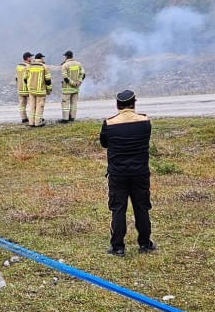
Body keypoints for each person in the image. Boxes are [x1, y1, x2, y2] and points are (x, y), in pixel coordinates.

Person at [98, 90, 154, 256]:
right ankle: (145, 244)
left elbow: (104, 143)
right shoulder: (145, 121)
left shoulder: (109, 124)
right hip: (140, 173)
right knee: (142, 207)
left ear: (117, 105)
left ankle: (118, 247)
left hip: (118, 174)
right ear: (134, 104)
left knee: (118, 209)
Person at [25, 53, 52, 127]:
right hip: (40, 91)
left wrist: (28, 88)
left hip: (31, 90)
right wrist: (49, 90)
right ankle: (38, 123)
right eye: (43, 58)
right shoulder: (44, 67)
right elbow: (48, 80)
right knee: (39, 106)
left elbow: (25, 79)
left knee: (32, 106)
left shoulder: (29, 66)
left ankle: (31, 123)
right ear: (41, 58)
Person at [60, 51, 86, 123]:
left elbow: (65, 77)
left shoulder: (65, 65)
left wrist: (72, 83)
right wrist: (78, 82)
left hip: (67, 89)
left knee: (65, 103)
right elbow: (83, 74)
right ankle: (72, 117)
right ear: (72, 56)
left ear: (66, 56)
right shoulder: (78, 64)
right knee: (74, 104)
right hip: (76, 89)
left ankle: (65, 119)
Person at [15, 52, 32, 124]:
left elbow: (16, 78)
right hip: (27, 89)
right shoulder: (28, 67)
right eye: (30, 57)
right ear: (27, 58)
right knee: (32, 104)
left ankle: (24, 118)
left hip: (20, 88)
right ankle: (32, 118)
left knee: (22, 105)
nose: (31, 58)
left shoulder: (18, 66)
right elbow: (30, 78)